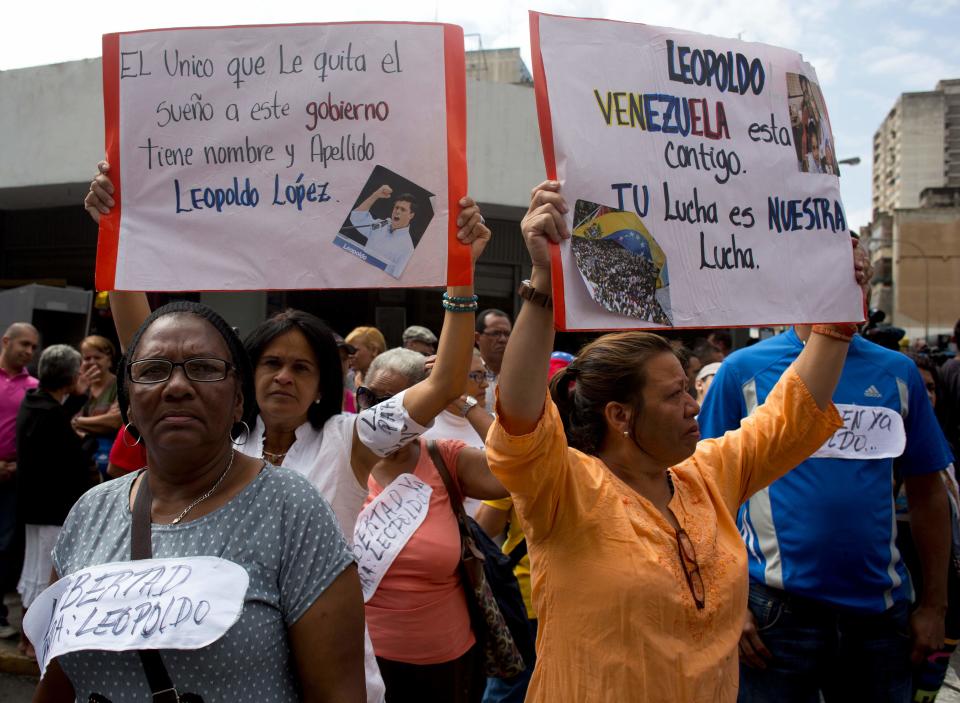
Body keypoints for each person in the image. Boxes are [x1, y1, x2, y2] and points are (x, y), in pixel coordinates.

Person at [86, 161, 493, 702]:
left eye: (302, 368)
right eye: (271, 363)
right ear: (241, 375)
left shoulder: (352, 438)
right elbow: (142, 342)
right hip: (220, 664)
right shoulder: (220, 441)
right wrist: (116, 231)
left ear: (325, 383)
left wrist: (461, 271)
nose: (283, 376)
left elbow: (442, 382)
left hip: (325, 667)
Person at [482, 180, 867, 702]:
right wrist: (545, 280)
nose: (694, 406)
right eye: (675, 395)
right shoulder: (566, 488)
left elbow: (791, 415)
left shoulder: (705, 475)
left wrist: (835, 319)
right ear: (620, 415)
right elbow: (521, 417)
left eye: (690, 388)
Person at [32, 302, 366, 702]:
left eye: (204, 368)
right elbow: (56, 681)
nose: (176, 386)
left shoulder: (292, 509)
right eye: (153, 371)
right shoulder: (91, 512)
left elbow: (337, 693)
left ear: (239, 399)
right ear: (129, 404)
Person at [699, 314, 952, 700]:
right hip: (774, 617)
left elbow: (928, 491)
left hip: (878, 615)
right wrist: (725, 602)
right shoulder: (742, 370)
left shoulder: (898, 371)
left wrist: (936, 605)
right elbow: (705, 490)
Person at [356, 347, 509, 703]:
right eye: (369, 397)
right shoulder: (340, 457)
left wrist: (464, 402)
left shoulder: (446, 458)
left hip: (444, 667)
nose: (380, 410)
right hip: (357, 663)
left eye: (395, 401)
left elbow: (518, 469)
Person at [14, 345, 93, 658]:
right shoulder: (49, 414)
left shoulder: (35, 403)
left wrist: (77, 397)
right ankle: (30, 641)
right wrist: (85, 444)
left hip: (35, 504)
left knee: (33, 570)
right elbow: (70, 459)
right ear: (70, 376)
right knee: (42, 574)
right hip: (51, 506)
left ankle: (27, 640)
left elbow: (58, 413)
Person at [0, 322, 39, 639]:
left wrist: (15, 466)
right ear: (6, 341)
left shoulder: (34, 386)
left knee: (6, 545)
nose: (28, 351)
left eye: (33, 347)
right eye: (24, 344)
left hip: (15, 474)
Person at [71, 335, 122, 477]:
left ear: (109, 360)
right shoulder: (77, 387)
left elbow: (115, 422)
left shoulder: (119, 386)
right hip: (81, 457)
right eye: (87, 358)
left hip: (108, 458)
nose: (92, 362)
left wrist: (77, 422)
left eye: (97, 357)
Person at [349, 185, 417, 278]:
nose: (397, 211)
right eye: (396, 207)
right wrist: (375, 195)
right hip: (354, 273)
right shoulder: (381, 224)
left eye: (403, 209)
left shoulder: (408, 250)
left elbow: (395, 279)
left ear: (411, 215)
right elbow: (357, 219)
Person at [475, 309, 512, 409]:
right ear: (477, 338)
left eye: (507, 334)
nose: (503, 339)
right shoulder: (465, 374)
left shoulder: (520, 376)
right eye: (495, 333)